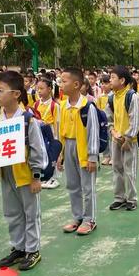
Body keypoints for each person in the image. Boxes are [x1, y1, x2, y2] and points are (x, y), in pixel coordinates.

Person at [0, 71, 47, 271]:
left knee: (30, 213)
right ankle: (19, 247)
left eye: (1, 91)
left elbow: (37, 149)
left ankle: (33, 249)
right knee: (12, 213)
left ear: (16, 94)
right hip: (6, 174)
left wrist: (36, 176)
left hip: (25, 175)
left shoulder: (27, 119)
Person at [58, 68, 99, 235]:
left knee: (87, 186)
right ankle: (77, 216)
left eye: (64, 81)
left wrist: (92, 156)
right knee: (72, 185)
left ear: (76, 84)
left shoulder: (87, 106)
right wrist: (59, 154)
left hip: (84, 150)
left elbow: (93, 133)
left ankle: (89, 219)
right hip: (68, 146)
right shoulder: (62, 106)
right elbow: (60, 131)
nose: (60, 84)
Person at [105, 66, 139, 212]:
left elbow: (135, 120)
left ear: (122, 80)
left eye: (113, 77)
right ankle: (119, 198)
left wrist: (128, 139)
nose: (110, 80)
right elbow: (109, 119)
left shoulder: (131, 96)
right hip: (116, 139)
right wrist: (113, 132)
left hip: (129, 141)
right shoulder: (112, 97)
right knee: (117, 168)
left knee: (129, 170)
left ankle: (131, 199)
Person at [34, 77, 61, 190]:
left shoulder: (55, 105)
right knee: (42, 155)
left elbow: (57, 123)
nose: (39, 91)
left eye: (42, 88)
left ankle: (53, 177)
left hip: (50, 133)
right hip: (39, 134)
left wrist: (56, 139)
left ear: (49, 89)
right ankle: (43, 176)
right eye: (37, 89)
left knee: (52, 155)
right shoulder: (36, 104)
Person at [97, 75, 113, 166]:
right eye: (102, 83)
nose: (104, 85)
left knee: (112, 139)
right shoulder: (100, 97)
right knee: (104, 138)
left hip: (111, 121)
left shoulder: (113, 96)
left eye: (106, 83)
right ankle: (106, 156)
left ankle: (113, 156)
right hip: (103, 121)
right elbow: (98, 108)